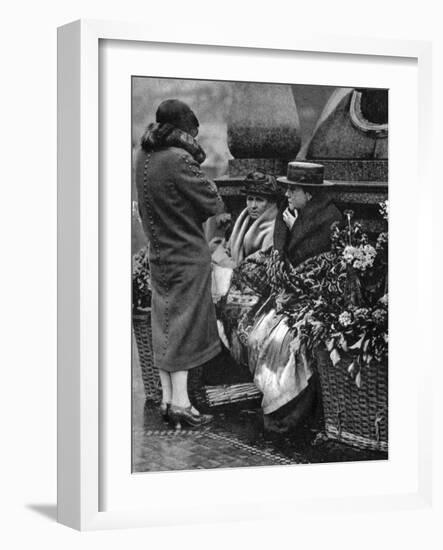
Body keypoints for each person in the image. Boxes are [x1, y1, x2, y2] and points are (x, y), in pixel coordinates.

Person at [226, 162, 342, 433]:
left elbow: (312, 271)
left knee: (281, 344)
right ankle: (275, 403)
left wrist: (295, 229)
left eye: (293, 190)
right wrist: (291, 229)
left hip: (314, 299)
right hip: (286, 297)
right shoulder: (288, 216)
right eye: (287, 190)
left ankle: (288, 410)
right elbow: (279, 264)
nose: (287, 195)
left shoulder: (328, 219)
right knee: (255, 336)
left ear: (309, 194)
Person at [135, 99, 225, 429]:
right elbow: (212, 200)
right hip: (187, 255)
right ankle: (183, 403)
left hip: (159, 253)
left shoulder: (142, 154)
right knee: (185, 329)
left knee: (164, 325)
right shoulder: (179, 159)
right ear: (185, 130)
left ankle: (168, 399)